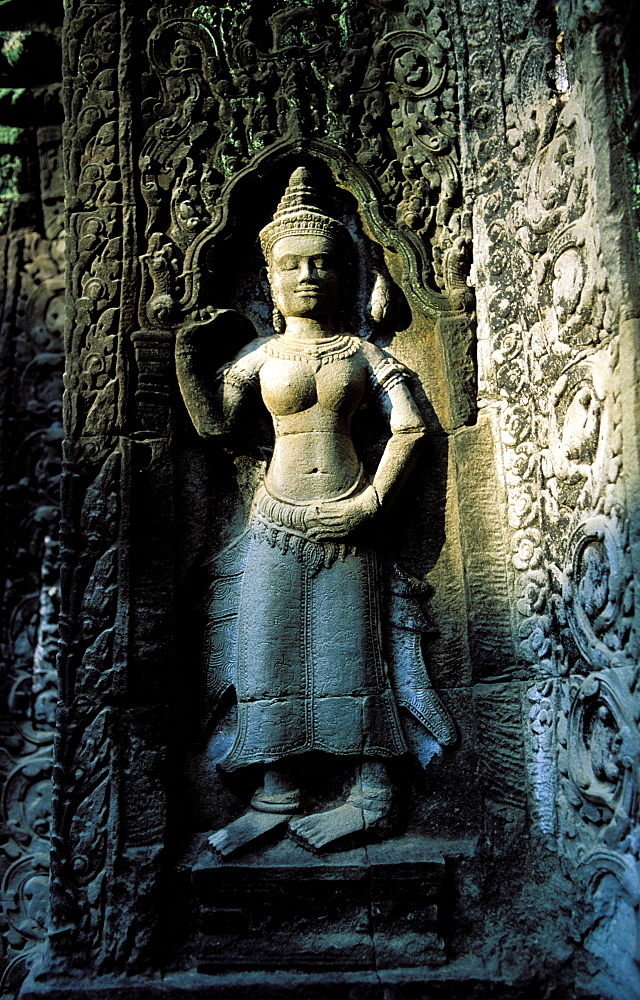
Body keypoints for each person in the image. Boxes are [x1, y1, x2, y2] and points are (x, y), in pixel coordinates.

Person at [176, 167, 453, 856]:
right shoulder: (259, 355)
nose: (307, 276)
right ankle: (275, 791)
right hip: (274, 516)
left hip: (348, 513)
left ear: (343, 276)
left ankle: (372, 795)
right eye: (291, 265)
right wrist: (186, 358)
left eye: (323, 264)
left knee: (353, 653)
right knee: (266, 649)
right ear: (269, 279)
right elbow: (216, 429)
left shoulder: (362, 353)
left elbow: (412, 427)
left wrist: (371, 505)